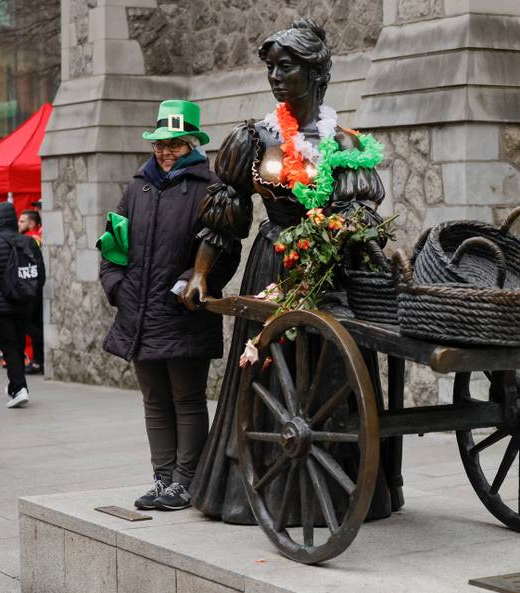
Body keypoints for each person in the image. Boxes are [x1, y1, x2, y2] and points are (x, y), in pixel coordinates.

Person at [181, 19, 392, 525]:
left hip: (334, 270)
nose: (276, 76)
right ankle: (258, 488)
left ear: (318, 72)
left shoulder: (346, 142)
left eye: (288, 66)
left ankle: (341, 490)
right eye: (271, 67)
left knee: (335, 371)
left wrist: (356, 236)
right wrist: (201, 274)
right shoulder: (255, 138)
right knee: (269, 371)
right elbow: (225, 213)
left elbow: (364, 215)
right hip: (275, 262)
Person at [99, 99, 240, 511]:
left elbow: (225, 252)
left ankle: (186, 482)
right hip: (138, 315)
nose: (165, 151)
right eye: (161, 143)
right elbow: (113, 245)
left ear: (192, 143)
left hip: (183, 313)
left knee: (187, 398)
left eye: (175, 144)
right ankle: (163, 480)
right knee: (155, 401)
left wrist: (192, 282)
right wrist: (116, 286)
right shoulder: (136, 187)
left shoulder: (211, 189)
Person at [0, 202, 45, 408]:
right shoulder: (29, 242)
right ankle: (16, 385)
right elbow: (40, 274)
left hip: (1, 306)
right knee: (19, 344)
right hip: (25, 303)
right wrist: (30, 295)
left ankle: (19, 388)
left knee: (9, 346)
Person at [18, 209, 43, 374]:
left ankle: (39, 361)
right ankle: (38, 361)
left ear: (31, 224)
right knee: (33, 325)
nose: (18, 224)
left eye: (22, 221)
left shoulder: (32, 238)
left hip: (30, 287)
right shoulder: (32, 237)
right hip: (34, 286)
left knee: (30, 325)